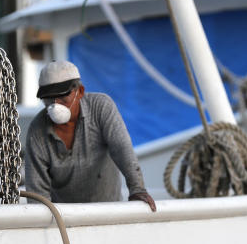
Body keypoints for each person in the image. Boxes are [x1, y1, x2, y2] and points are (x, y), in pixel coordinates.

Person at [23, 61, 156, 211]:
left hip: (109, 211)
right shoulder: (37, 131)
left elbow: (121, 148)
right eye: (48, 99)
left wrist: (137, 188)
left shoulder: (101, 108)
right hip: (64, 220)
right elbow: (37, 194)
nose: (55, 105)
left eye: (62, 97)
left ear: (79, 92)